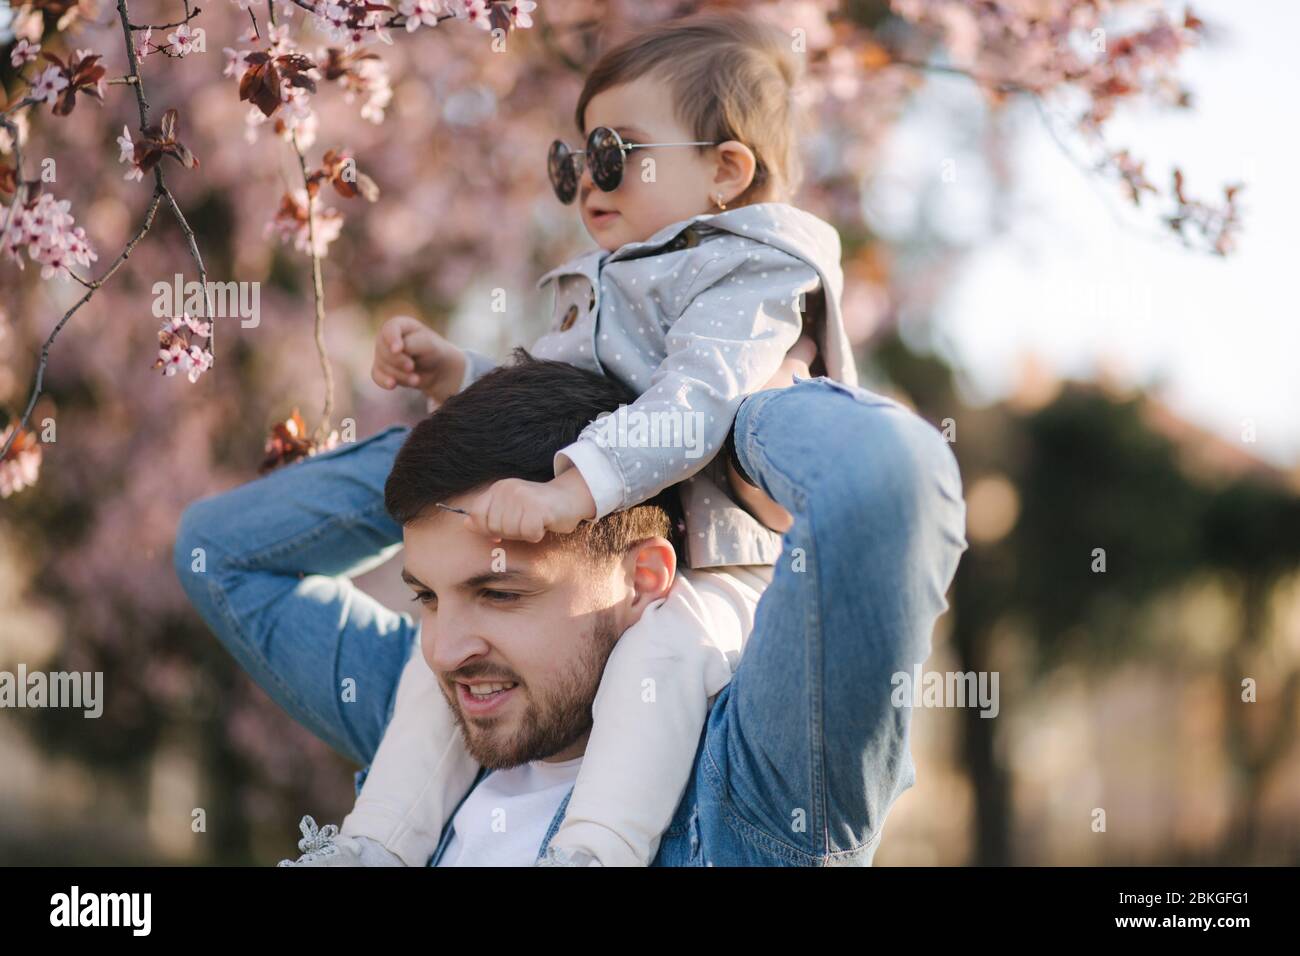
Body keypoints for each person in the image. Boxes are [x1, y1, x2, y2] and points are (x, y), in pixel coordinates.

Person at [306, 10, 864, 867]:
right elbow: (553, 395)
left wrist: (569, 492)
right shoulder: (612, 281)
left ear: (726, 170)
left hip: (733, 568)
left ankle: (596, 849)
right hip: (628, 553)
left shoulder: (756, 272)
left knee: (662, 655)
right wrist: (459, 373)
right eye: (573, 161)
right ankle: (373, 845)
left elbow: (696, 400)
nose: (585, 182)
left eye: (614, 154)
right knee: (441, 661)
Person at [174, 352, 968, 866]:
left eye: (500, 592)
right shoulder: (426, 728)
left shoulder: (757, 784)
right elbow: (218, 554)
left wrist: (719, 418)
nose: (446, 651)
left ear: (648, 576)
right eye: (426, 596)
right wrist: (475, 424)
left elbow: (884, 479)